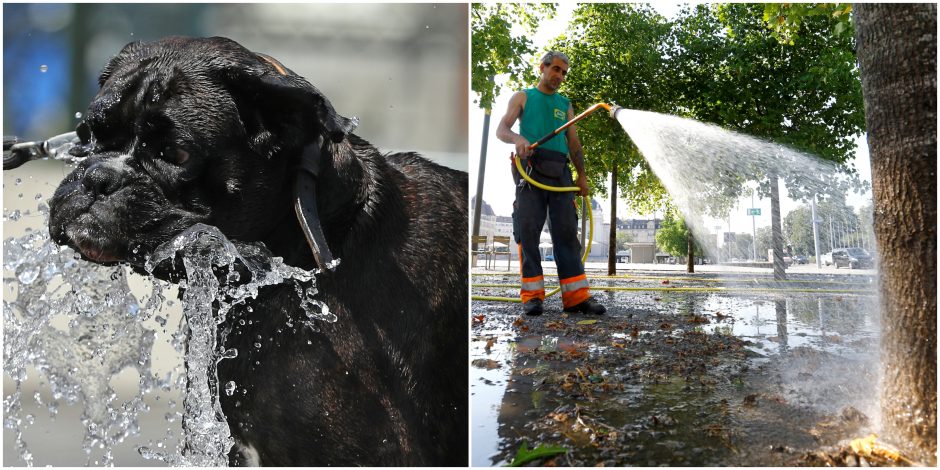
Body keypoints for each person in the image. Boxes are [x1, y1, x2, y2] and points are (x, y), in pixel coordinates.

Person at [495, 51, 606, 316]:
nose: (559, 76)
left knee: (567, 233)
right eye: (556, 69)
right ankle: (532, 296)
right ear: (542, 68)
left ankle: (576, 298)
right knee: (528, 232)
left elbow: (574, 143)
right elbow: (502, 130)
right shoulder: (523, 97)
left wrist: (581, 175)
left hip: (560, 172)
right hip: (531, 170)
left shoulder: (565, 104)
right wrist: (518, 140)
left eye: (564, 73)